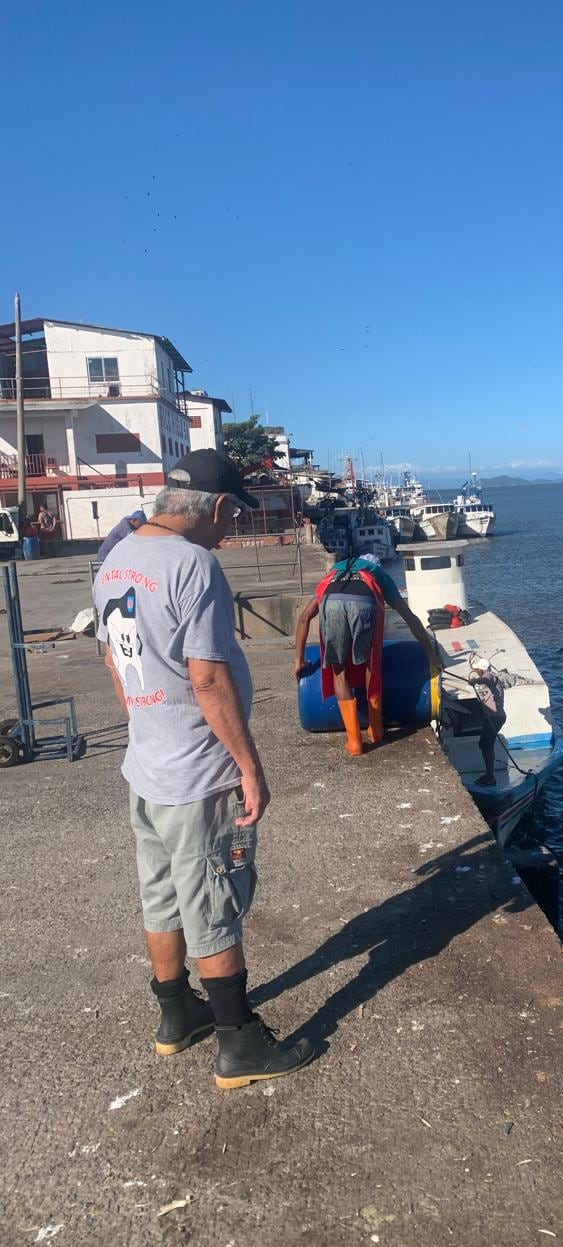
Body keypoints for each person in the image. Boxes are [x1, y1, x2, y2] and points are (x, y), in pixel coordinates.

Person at [92, 448, 313, 1090]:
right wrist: (249, 766)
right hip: (197, 772)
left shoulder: (116, 560)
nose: (231, 528)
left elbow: (114, 662)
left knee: (160, 896)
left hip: (147, 765)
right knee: (213, 899)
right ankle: (238, 1043)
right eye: (232, 515)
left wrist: (146, 724)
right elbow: (208, 677)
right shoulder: (194, 564)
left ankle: (176, 1014)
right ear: (216, 506)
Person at [293, 552, 440, 756]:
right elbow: (409, 617)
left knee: (339, 671)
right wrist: (430, 653)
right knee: (371, 663)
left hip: (331, 601)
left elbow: (304, 619)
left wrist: (299, 660)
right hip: (364, 600)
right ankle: (376, 728)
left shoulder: (333, 574)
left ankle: (354, 742)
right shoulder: (378, 574)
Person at [467, 656, 506, 787]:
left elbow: (486, 679)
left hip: (496, 718)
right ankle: (489, 775)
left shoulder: (490, 676)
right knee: (484, 744)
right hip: (492, 717)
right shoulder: (488, 677)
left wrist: (476, 680)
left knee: (486, 744)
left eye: (478, 670)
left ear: (481, 670)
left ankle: (490, 777)